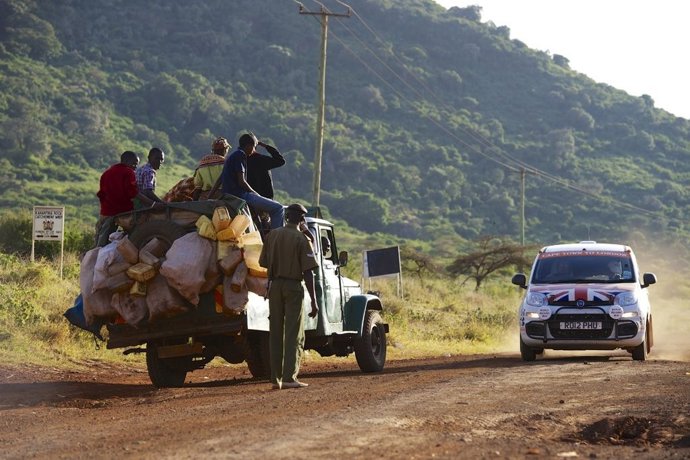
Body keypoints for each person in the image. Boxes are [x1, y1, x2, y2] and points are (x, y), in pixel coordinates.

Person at [259, 203, 318, 390]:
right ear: (302, 220)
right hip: (293, 287)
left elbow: (263, 262)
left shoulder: (272, 235)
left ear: (286, 217)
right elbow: (308, 272)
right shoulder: (302, 239)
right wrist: (314, 301)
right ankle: (289, 378)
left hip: (274, 286)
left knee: (275, 332)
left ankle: (275, 378)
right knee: (293, 333)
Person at [221, 133, 284, 229]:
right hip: (243, 194)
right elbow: (242, 181)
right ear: (249, 145)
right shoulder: (244, 156)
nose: (254, 149)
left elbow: (220, 179)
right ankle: (276, 238)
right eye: (254, 146)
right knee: (278, 208)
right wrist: (255, 194)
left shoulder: (231, 157)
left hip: (235, 194)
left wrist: (211, 196)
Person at [95, 150, 142, 246]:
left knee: (100, 238)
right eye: (134, 164)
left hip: (105, 211)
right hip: (122, 212)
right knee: (134, 234)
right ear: (127, 161)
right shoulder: (129, 172)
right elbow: (133, 193)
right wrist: (152, 203)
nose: (135, 167)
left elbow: (101, 194)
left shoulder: (106, 173)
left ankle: (94, 256)